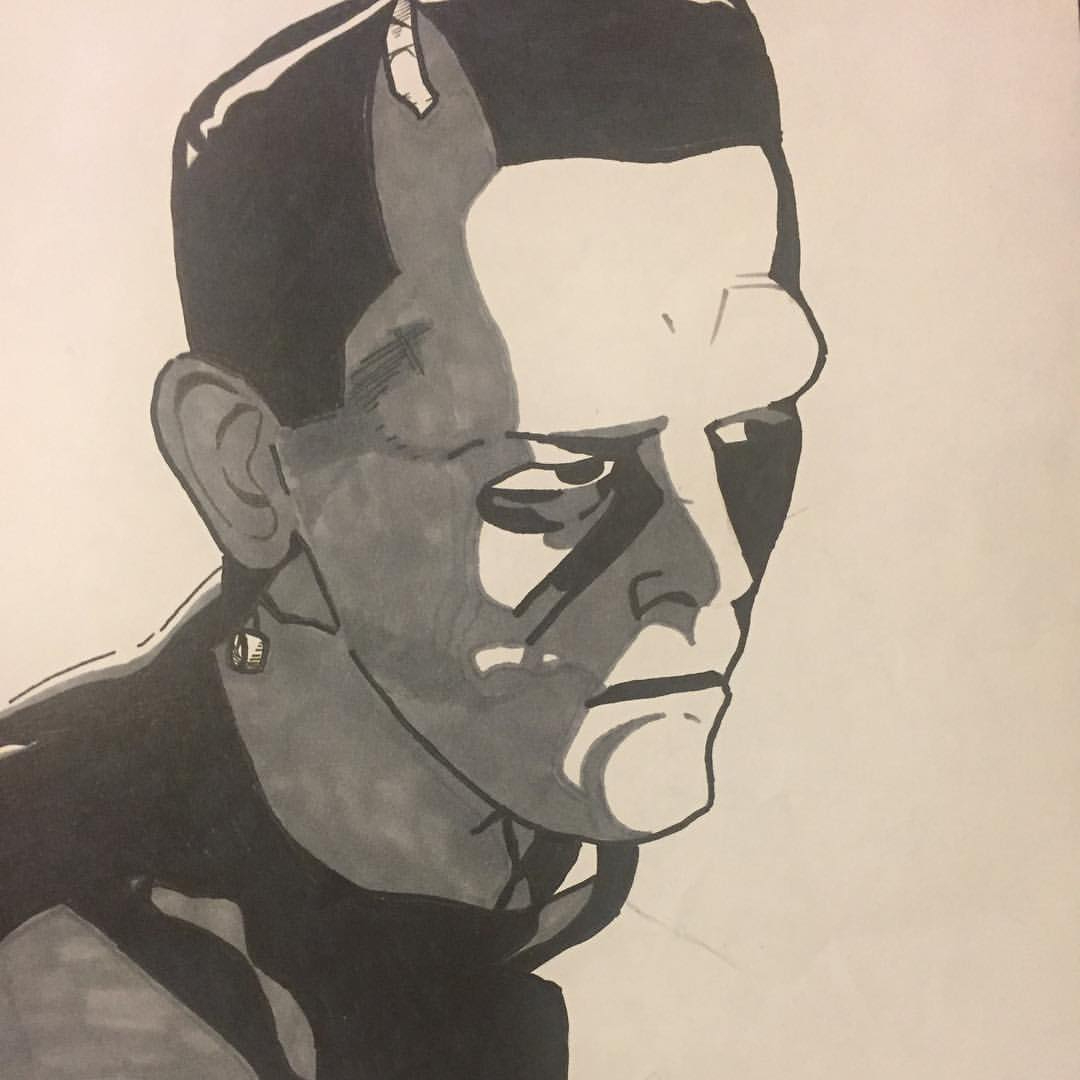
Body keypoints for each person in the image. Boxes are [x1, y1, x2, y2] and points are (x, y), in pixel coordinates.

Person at [0, 1, 825, 1076]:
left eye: (752, 425)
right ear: (248, 468)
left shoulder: (550, 871)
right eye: (563, 470)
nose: (714, 567)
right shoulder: (72, 972)